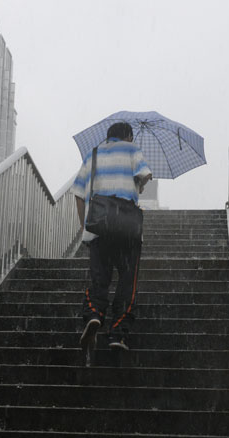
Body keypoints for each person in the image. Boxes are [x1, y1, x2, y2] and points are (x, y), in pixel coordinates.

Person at [72, 122, 152, 352]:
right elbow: (145, 174)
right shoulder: (131, 148)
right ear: (127, 135)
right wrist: (139, 183)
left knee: (100, 279)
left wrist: (84, 227)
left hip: (99, 229)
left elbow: (77, 195)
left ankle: (94, 315)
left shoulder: (93, 154)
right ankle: (118, 332)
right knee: (127, 283)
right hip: (127, 230)